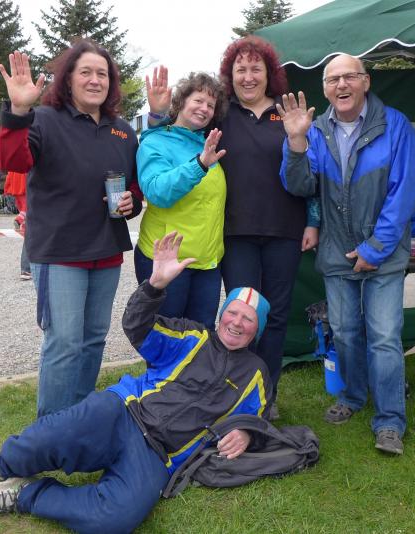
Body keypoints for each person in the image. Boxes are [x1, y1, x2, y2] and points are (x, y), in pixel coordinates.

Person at [0, 231, 272, 533]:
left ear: (257, 329)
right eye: (232, 312)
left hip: (158, 457)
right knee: (56, 433)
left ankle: (24, 494)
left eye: (248, 318)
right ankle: (2, 466)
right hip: (123, 412)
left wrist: (246, 434)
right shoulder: (193, 336)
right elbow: (136, 326)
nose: (236, 322)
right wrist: (154, 286)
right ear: (222, 314)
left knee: (115, 518)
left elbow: (260, 421)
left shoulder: (256, 375)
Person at [145, 39, 320, 416]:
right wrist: (157, 114)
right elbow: (180, 131)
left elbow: (312, 172)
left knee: (275, 315)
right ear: (231, 74)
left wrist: (313, 220)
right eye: (241, 69)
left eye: (256, 69)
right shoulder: (222, 114)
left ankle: (266, 394)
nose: (248, 76)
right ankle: (235, 392)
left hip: (285, 230)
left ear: (269, 74)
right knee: (239, 316)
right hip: (236, 234)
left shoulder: (287, 112)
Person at [278, 54, 415, 455]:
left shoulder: (395, 125)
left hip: (383, 252)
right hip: (335, 252)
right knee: (343, 331)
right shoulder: (316, 130)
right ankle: (354, 395)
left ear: (366, 82)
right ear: (325, 89)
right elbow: (299, 186)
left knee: (383, 337)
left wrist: (375, 248)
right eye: (333, 80)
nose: (341, 85)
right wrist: (295, 142)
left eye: (349, 77)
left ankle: (390, 420)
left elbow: (405, 190)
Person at [0, 41, 144, 418]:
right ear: (68, 79)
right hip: (59, 253)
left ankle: (77, 421)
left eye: (102, 74)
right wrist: (19, 110)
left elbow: (134, 186)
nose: (95, 80)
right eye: (85, 72)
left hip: (106, 252)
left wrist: (132, 201)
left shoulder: (123, 132)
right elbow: (11, 160)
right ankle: (51, 431)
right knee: (64, 343)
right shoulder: (44, 120)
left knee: (93, 341)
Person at [134, 72, 227, 328]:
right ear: (181, 102)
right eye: (198, 100)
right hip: (167, 261)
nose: (204, 108)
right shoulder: (156, 141)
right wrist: (199, 165)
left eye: (211, 105)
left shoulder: (207, 143)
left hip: (206, 262)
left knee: (200, 336)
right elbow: (157, 192)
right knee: (165, 335)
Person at [4, 170, 31, 280]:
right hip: (26, 188)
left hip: (15, 189)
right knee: (31, 226)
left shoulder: (15, 164)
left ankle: (21, 219)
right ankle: (20, 219)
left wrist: (7, 189)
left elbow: (9, 175)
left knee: (26, 213)